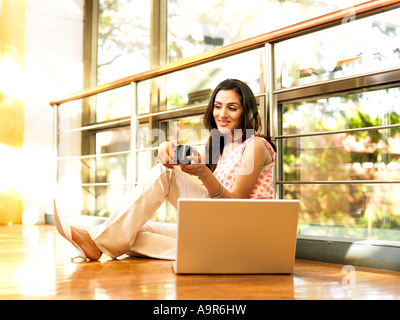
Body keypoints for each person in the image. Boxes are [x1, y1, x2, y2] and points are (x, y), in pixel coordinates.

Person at [54, 78, 276, 261]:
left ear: (246, 112)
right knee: (133, 232)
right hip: (215, 228)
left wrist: (203, 173)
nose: (222, 114)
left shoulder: (255, 145)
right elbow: (186, 157)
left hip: (240, 230)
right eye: (218, 106)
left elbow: (237, 204)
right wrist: (164, 148)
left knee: (164, 174)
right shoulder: (218, 146)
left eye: (232, 108)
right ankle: (205, 254)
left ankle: (94, 242)